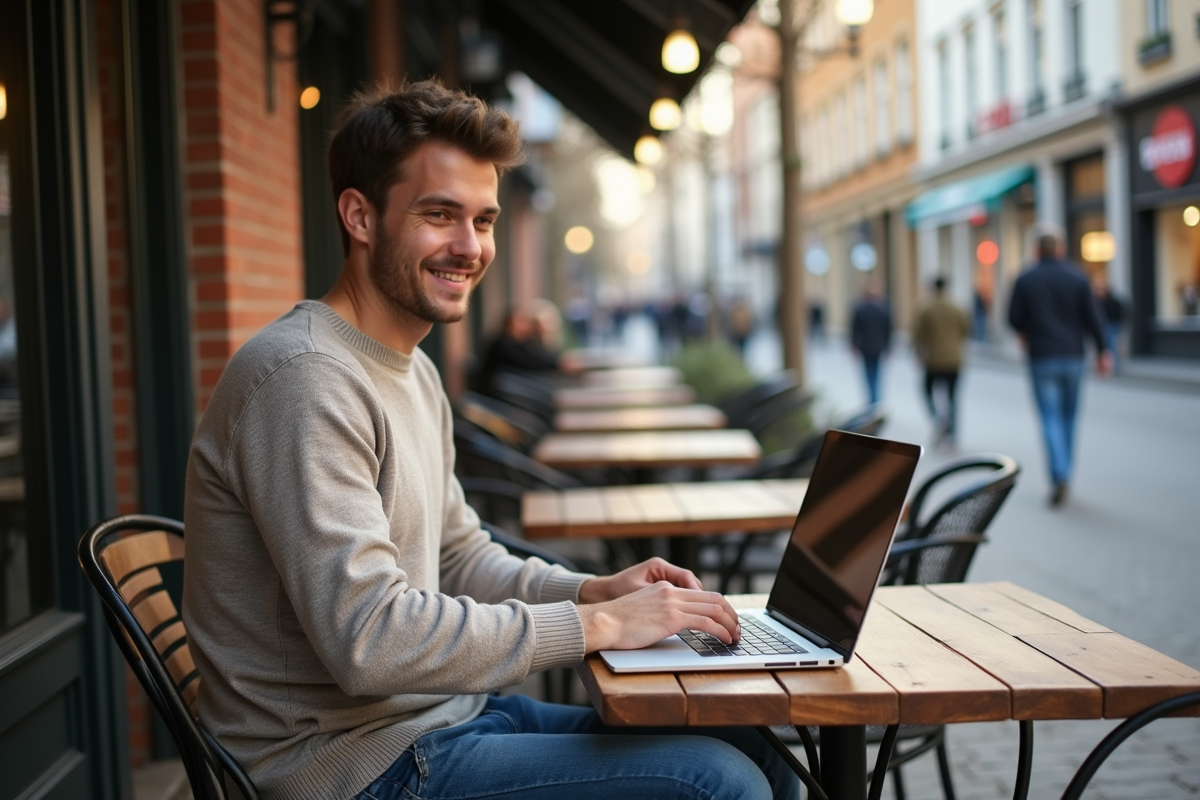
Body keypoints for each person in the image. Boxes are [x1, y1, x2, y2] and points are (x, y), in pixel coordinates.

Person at [182, 80, 797, 800]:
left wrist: (594, 588)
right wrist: (595, 623)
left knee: (751, 735)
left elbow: (457, 554)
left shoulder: (408, 370)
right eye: (439, 215)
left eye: (484, 219)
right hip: (346, 763)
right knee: (715, 783)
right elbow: (370, 641)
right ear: (359, 215)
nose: (469, 247)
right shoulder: (304, 379)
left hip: (441, 721)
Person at [1007, 226, 1112, 508]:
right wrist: (1103, 351)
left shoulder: (1026, 279)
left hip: (1042, 356)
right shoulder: (1077, 277)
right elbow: (1093, 317)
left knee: (1050, 417)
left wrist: (1028, 329)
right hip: (1073, 356)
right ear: (1061, 249)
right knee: (1069, 417)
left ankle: (1059, 474)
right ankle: (1065, 472)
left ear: (1036, 250)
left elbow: (1013, 317)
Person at [912, 276, 970, 446]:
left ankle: (939, 420)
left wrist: (918, 355)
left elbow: (918, 335)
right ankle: (952, 432)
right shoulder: (957, 308)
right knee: (953, 397)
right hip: (954, 360)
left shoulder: (926, 309)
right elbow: (965, 330)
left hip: (934, 360)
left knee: (927, 392)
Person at [850, 278, 892, 405]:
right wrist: (853, 346)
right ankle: (874, 400)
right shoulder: (865, 308)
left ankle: (874, 401)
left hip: (873, 346)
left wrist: (888, 346)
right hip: (869, 346)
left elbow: (888, 329)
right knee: (871, 374)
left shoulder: (881, 308)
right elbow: (855, 328)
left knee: (874, 374)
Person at [1091, 271, 1125, 374]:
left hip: (1112, 324)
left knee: (1112, 346)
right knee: (1109, 345)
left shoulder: (1112, 300)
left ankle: (1115, 366)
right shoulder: (1097, 301)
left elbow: (1120, 311)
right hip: (1104, 325)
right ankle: (1110, 365)